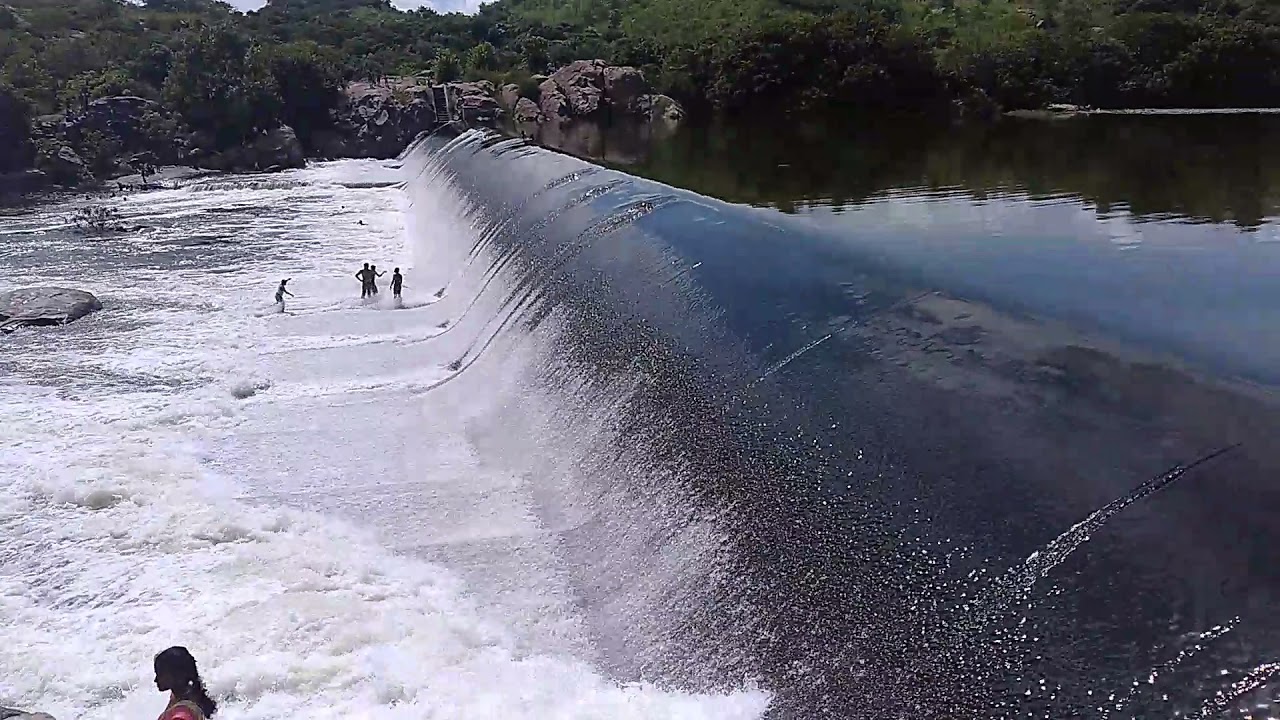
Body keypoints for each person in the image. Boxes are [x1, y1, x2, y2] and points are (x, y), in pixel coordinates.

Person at [154, 646, 217, 720]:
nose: (155, 680)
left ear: (176, 674)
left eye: (160, 674)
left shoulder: (181, 715)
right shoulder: (181, 695)